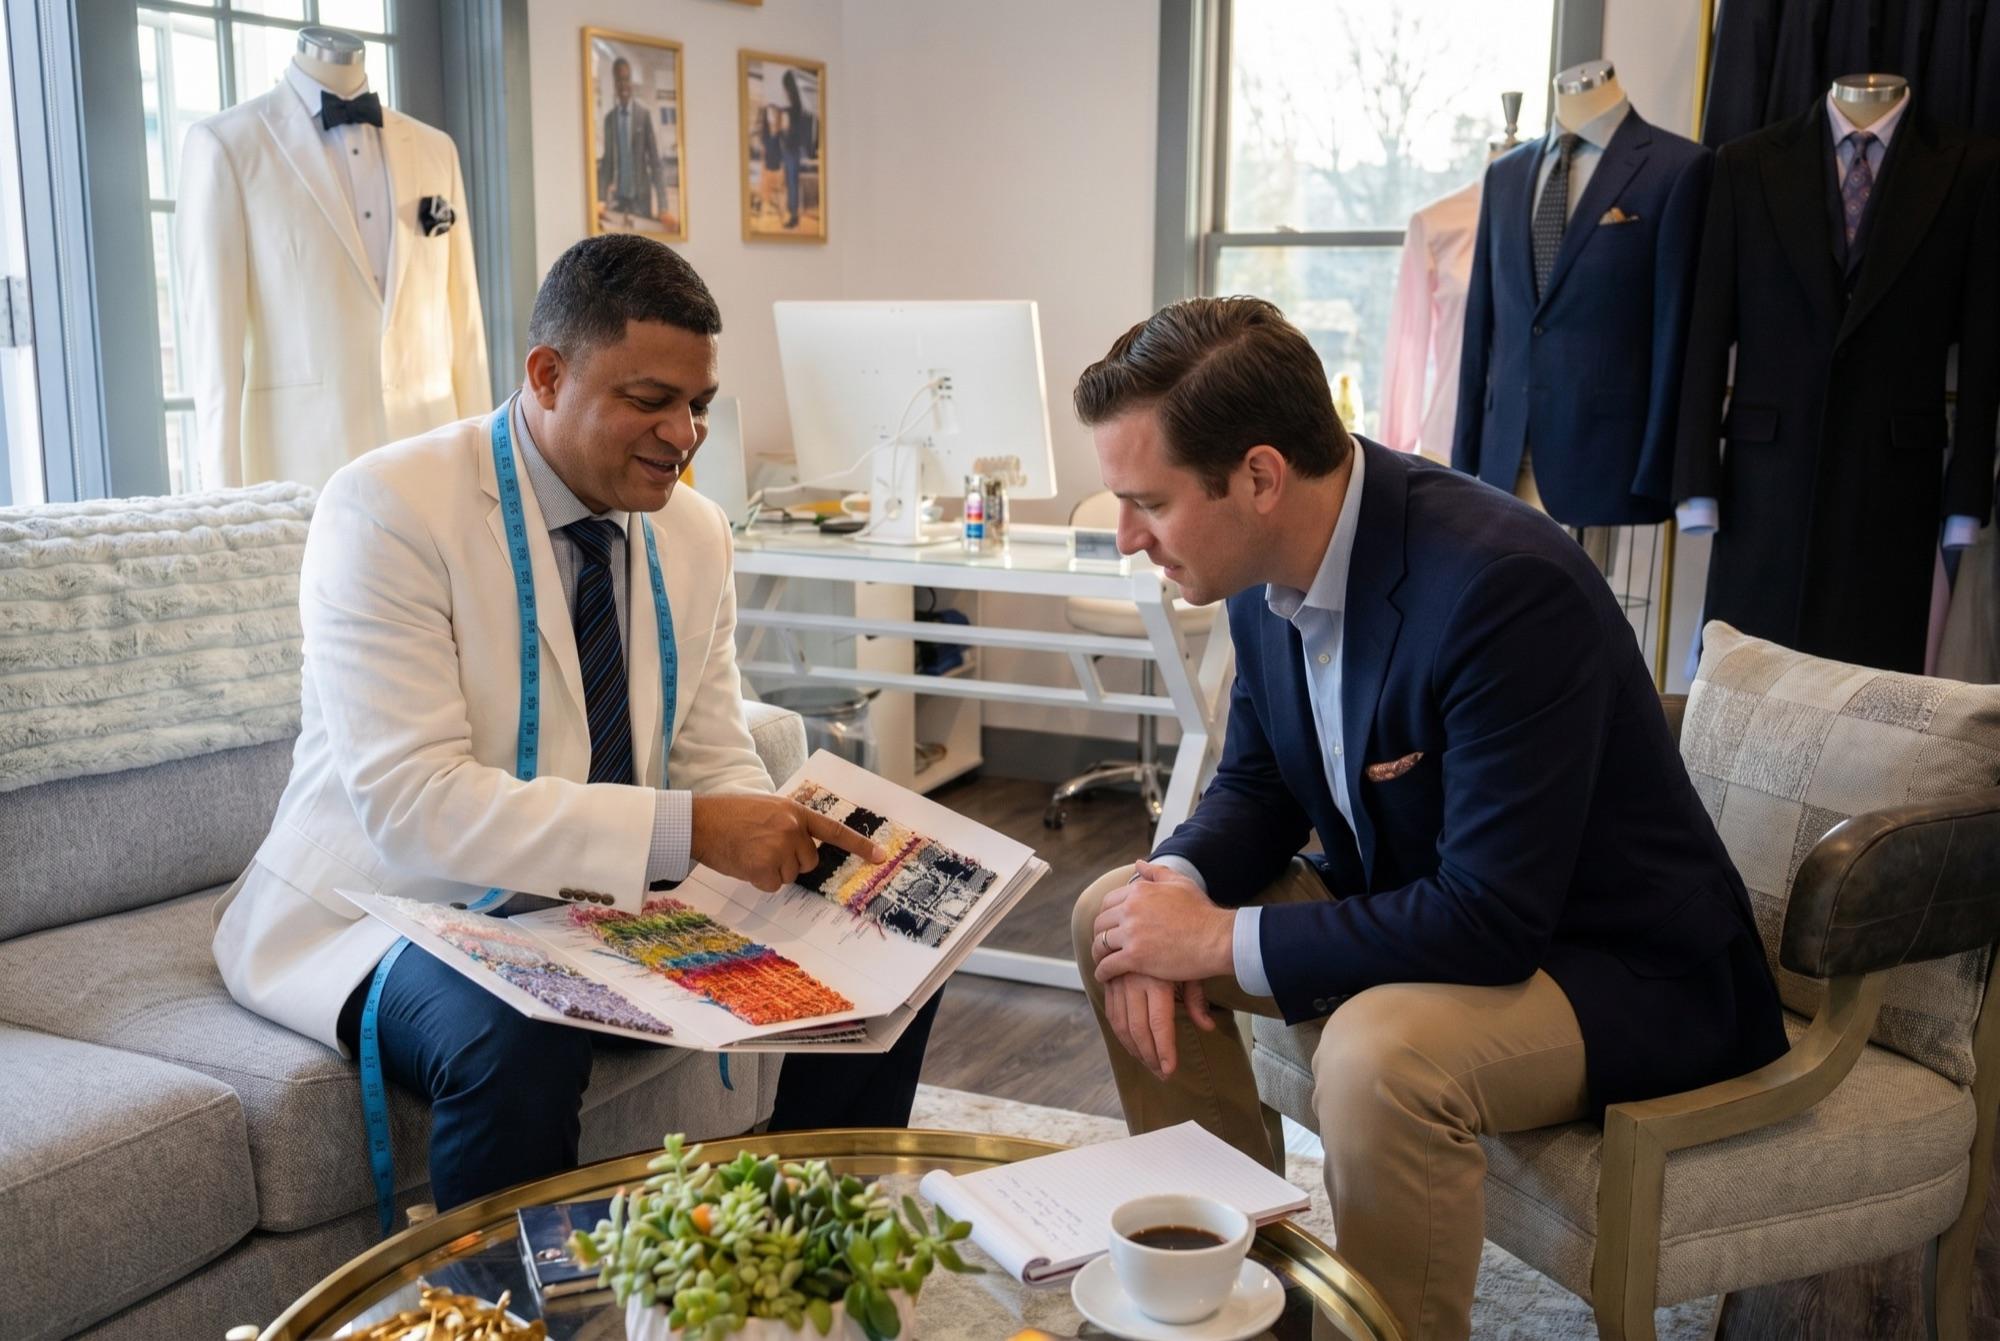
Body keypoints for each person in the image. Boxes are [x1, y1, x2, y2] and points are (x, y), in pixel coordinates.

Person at [1069, 297, 1787, 1341]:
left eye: (1149, 503)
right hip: (1432, 902)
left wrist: (1219, 939)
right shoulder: (1247, 562)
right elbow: (1260, 787)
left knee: (1375, 1054)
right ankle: (1232, 1296)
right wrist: (1173, 886)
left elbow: (1489, 918)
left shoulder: (1501, 586)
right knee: (1115, 914)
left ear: (1259, 477)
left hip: (1612, 961)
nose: (1129, 539)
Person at [211, 234, 942, 1212]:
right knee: (523, 1034)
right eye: (649, 400)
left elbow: (708, 745)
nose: (683, 436)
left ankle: (794, 1248)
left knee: (896, 950)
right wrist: (693, 831)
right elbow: (411, 807)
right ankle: (502, 1318)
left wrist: (791, 847)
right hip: (392, 908)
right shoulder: (388, 509)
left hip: (596, 907)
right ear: (546, 376)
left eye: (699, 407)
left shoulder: (694, 531)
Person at [597, 57, 661, 223]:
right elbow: (607, 162)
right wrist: (601, 199)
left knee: (644, 247)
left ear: (631, 82)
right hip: (619, 199)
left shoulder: (643, 116)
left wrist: (664, 207)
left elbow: (655, 161)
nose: (623, 85)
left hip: (641, 199)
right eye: (619, 80)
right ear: (614, 84)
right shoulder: (609, 120)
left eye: (626, 79)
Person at [780, 69, 815, 229]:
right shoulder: (800, 109)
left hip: (791, 150)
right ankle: (793, 213)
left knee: (791, 182)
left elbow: (788, 133)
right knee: (791, 182)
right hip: (794, 150)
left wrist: (784, 133)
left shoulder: (790, 111)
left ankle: (793, 215)